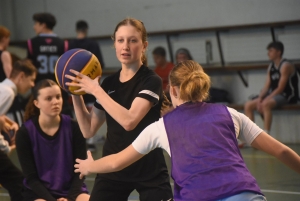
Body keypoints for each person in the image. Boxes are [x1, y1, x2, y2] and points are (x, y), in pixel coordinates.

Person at [74, 60, 300, 201]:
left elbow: (116, 163)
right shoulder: (230, 113)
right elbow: (281, 151)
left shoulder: (162, 126)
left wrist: (89, 165)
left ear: (171, 90)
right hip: (246, 194)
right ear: (203, 88)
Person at [65, 18, 173, 201]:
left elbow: (129, 121)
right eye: (121, 40)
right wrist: (74, 92)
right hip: (112, 166)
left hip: (148, 167)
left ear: (144, 45)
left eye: (132, 40)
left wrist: (96, 90)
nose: (126, 46)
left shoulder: (150, 80)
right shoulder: (109, 83)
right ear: (114, 44)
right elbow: (88, 129)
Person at [15, 79, 89, 201]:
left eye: (58, 97)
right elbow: (31, 178)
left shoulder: (74, 127)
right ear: (37, 103)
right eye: (48, 98)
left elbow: (80, 172)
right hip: (39, 193)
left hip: (72, 190)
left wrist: (70, 198)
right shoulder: (24, 133)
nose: (55, 102)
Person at [0, 59, 36, 201]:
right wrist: (5, 146)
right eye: (31, 80)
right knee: (19, 184)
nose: (32, 85)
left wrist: (9, 122)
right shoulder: (8, 93)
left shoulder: (4, 88)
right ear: (21, 76)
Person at [244, 41, 298, 134]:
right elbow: (266, 86)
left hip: (287, 95)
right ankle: (250, 135)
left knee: (266, 104)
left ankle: (266, 135)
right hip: (274, 94)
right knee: (248, 105)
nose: (268, 53)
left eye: (271, 51)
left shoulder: (285, 66)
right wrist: (260, 98)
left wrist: (265, 100)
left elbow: (281, 88)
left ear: (279, 52)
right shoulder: (271, 66)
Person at [69, 20, 106, 151]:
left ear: (76, 29)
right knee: (92, 109)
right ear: (86, 29)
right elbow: (100, 63)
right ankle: (90, 141)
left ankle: (81, 140)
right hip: (90, 81)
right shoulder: (92, 44)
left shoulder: (71, 44)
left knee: (77, 110)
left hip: (75, 82)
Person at [27, 12, 72, 117]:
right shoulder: (63, 43)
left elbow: (29, 67)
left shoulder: (32, 43)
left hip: (39, 89)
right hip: (58, 90)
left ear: (43, 25)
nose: (34, 27)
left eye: (36, 24)